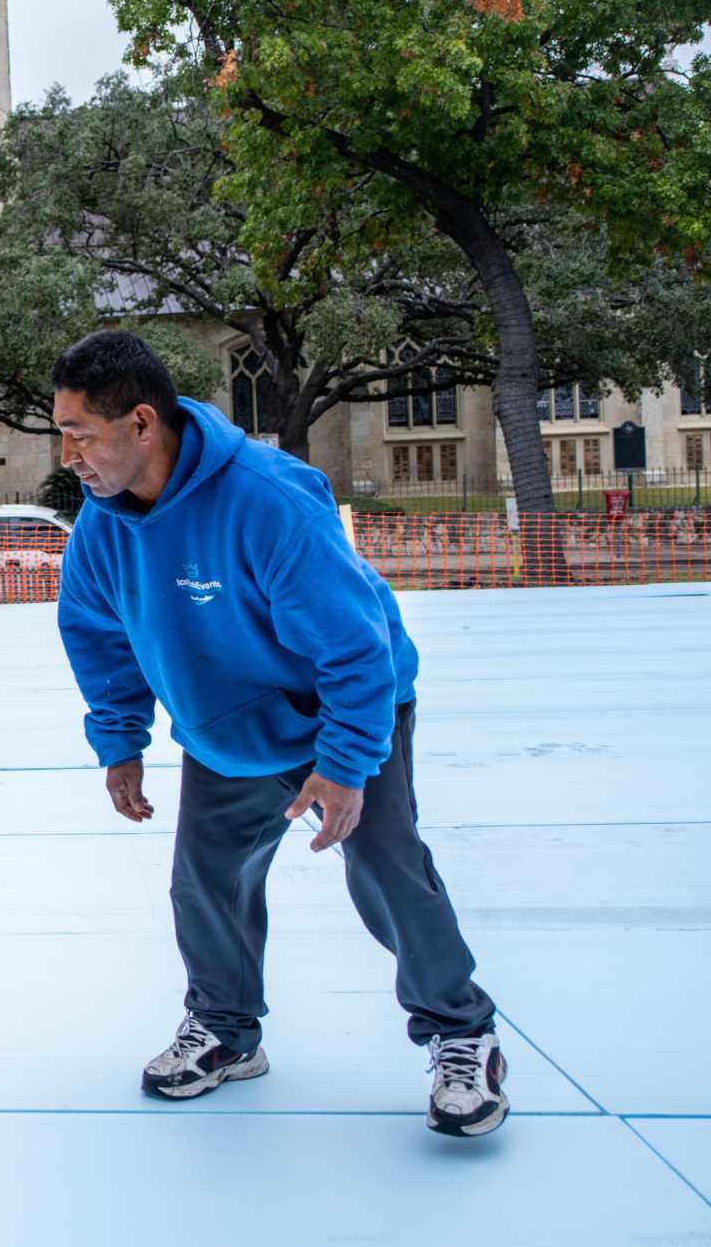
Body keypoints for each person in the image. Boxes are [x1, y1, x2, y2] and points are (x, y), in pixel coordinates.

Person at [51, 331, 506, 1137]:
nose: (69, 455)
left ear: (143, 424)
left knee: (388, 873)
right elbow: (98, 635)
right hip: (226, 729)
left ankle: (461, 1032)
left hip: (343, 710)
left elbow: (355, 646)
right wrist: (120, 740)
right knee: (206, 882)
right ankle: (226, 1031)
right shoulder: (101, 527)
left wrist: (344, 764)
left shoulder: (268, 498)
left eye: (80, 434)